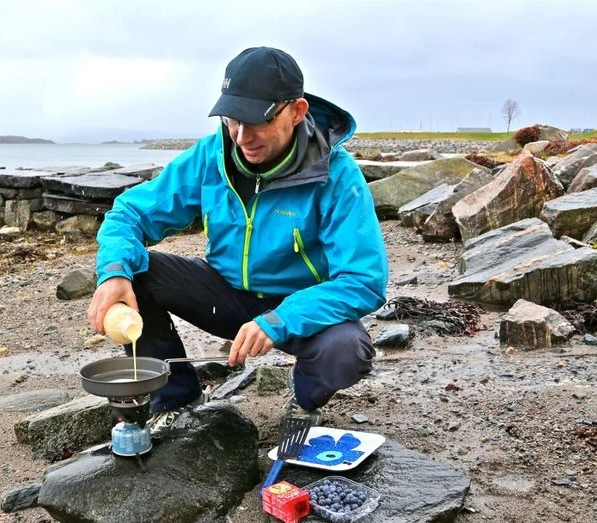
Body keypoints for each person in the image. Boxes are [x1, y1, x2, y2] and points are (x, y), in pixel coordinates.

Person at [87, 46, 389, 430]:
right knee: (134, 271)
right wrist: (113, 271)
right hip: (224, 295)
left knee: (346, 350)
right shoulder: (212, 154)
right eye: (232, 119)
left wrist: (281, 320)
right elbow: (129, 212)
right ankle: (175, 396)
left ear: (296, 111)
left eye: (256, 121)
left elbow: (364, 280)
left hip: (299, 305)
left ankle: (305, 400)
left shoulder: (337, 176)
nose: (242, 136)